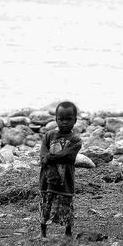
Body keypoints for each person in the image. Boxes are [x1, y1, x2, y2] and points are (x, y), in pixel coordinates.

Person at [38, 101, 83, 238]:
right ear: (56, 119)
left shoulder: (76, 140)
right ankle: (42, 233)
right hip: (47, 179)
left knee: (66, 205)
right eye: (61, 119)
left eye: (69, 119)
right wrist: (46, 158)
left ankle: (68, 233)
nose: (65, 122)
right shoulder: (48, 136)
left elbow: (68, 156)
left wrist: (50, 158)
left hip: (66, 180)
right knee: (45, 203)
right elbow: (42, 154)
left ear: (75, 120)